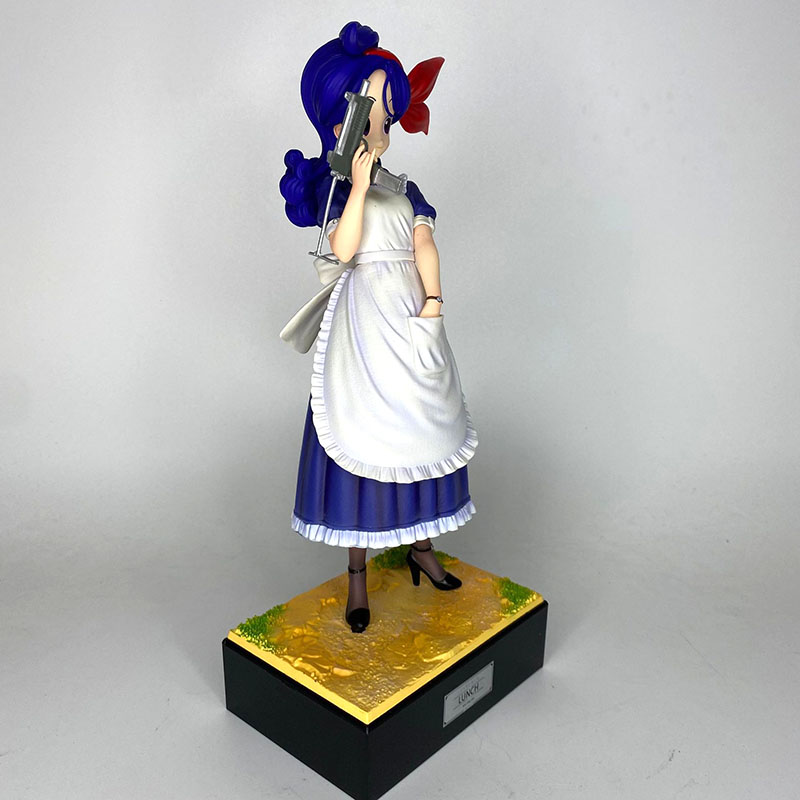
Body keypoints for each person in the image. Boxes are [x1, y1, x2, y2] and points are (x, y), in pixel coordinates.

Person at [279, 21, 478, 633]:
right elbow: (342, 250)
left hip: (409, 314)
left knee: (421, 427)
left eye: (386, 113)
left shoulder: (408, 187)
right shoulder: (339, 188)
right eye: (368, 112)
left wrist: (434, 302)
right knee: (362, 431)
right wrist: (359, 186)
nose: (379, 125)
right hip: (363, 323)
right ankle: (358, 573)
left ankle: (421, 546)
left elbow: (424, 245)